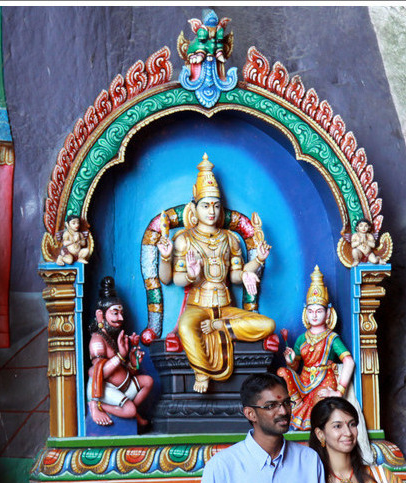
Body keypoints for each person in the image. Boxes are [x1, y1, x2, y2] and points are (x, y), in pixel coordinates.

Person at [156, 154, 275, 393]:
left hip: (224, 307)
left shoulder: (230, 239)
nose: (211, 211)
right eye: (206, 205)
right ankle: (201, 372)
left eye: (216, 205)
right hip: (196, 307)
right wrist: (186, 271)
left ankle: (222, 326)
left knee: (267, 324)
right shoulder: (184, 239)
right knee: (186, 328)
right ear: (194, 207)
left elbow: (234, 276)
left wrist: (257, 263)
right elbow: (169, 279)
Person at [190, 373, 331, 483]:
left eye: (286, 402)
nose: (284, 411)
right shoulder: (222, 467)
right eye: (271, 406)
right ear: (250, 414)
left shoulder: (309, 461)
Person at [278, 266, 355, 430]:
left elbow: (349, 361)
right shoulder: (302, 338)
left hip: (324, 380)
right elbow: (295, 367)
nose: (314, 315)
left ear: (328, 314)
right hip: (304, 379)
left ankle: (311, 422)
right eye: (311, 311)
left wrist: (339, 392)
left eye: (319, 311)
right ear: (305, 313)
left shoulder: (331, 338)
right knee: (282, 373)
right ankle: (296, 405)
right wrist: (290, 360)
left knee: (319, 404)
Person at [87, 276, 153, 427]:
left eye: (121, 313)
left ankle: (129, 414)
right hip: (105, 390)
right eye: (115, 313)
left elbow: (129, 371)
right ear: (100, 315)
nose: (121, 318)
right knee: (129, 409)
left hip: (122, 388)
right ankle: (99, 407)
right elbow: (98, 373)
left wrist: (133, 362)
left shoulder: (113, 337)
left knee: (148, 381)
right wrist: (120, 355)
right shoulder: (97, 340)